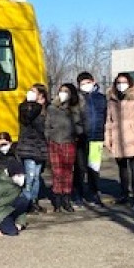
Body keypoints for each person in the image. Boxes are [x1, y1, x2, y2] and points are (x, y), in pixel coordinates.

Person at [105, 72, 134, 210]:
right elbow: (109, 121)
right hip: (118, 138)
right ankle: (124, 194)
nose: (121, 85)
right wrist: (108, 138)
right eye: (118, 82)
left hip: (133, 137)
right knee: (122, 169)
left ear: (129, 83)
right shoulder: (112, 100)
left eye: (123, 82)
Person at [45, 83, 83, 213]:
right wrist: (49, 136)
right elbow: (47, 125)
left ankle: (66, 199)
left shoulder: (74, 109)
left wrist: (76, 133)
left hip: (69, 142)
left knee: (67, 172)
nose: (63, 93)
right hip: (54, 142)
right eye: (61, 91)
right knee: (56, 172)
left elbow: (80, 125)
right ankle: (57, 200)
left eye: (66, 91)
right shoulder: (51, 108)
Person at [74, 72, 108, 207]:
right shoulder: (76, 99)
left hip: (97, 138)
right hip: (81, 138)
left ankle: (94, 193)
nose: (85, 85)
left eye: (87, 82)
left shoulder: (101, 98)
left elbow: (106, 116)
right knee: (80, 167)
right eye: (82, 83)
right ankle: (78, 194)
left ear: (93, 81)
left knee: (94, 167)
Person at [16, 84, 49, 213]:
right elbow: (31, 121)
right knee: (29, 176)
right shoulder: (25, 107)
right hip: (28, 146)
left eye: (34, 91)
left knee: (36, 176)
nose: (30, 93)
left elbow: (44, 129)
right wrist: (36, 105)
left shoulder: (45, 110)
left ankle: (34, 200)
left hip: (40, 147)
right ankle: (26, 202)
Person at [0, 159, 29, 236]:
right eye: (18, 175)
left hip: (9, 209)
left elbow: (22, 208)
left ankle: (12, 220)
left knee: (24, 200)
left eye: (22, 175)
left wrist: (20, 222)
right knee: (12, 232)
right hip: (0, 213)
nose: (21, 178)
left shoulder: (17, 184)